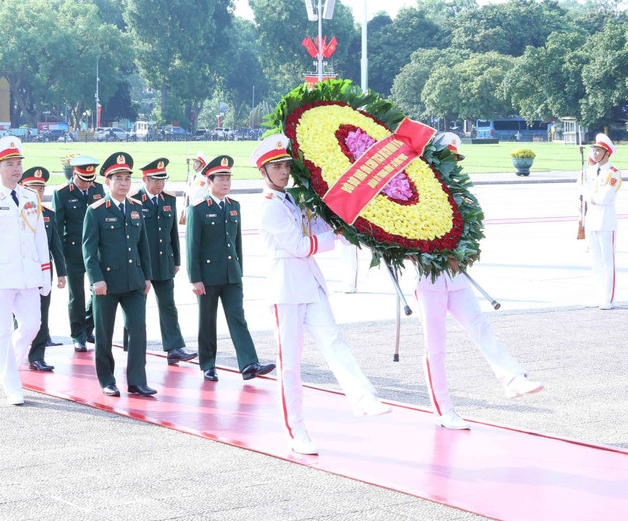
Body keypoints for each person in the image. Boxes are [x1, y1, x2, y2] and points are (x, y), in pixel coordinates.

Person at [252, 135, 390, 455]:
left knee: (334, 340)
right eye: (277, 167)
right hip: (286, 289)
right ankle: (296, 430)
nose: (284, 172)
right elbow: (300, 246)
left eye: (286, 165)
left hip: (310, 284)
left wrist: (342, 222)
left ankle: (363, 397)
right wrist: (337, 236)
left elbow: (316, 227)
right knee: (291, 364)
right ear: (264, 171)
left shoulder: (291, 198)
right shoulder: (269, 207)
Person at [414, 132, 545, 431]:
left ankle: (513, 379)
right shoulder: (418, 194)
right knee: (435, 347)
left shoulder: (462, 195)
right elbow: (406, 238)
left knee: (480, 327)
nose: (452, 166)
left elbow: (471, 235)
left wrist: (463, 255)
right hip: (429, 279)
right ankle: (443, 409)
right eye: (447, 159)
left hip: (457, 276)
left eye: (455, 160)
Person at [0, 137, 49, 405]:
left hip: (29, 275)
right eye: (10, 164)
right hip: (0, 278)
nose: (16, 169)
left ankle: (7, 366)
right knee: (2, 332)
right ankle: (11, 385)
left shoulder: (30, 196)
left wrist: (45, 273)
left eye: (18, 164)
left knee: (33, 325)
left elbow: (40, 237)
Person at [186, 155, 274, 382]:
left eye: (228, 179)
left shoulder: (234, 206)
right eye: (221, 179)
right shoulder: (198, 208)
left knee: (238, 318)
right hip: (207, 276)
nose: (226, 183)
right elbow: (192, 247)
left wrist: (238, 270)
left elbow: (237, 244)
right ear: (209, 181)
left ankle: (248, 363)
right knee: (207, 321)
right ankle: (208, 364)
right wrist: (195, 278)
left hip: (231, 275)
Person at [82, 151, 156, 397]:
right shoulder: (96, 210)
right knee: (104, 333)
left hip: (134, 281)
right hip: (107, 283)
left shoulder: (136, 208)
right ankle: (107, 379)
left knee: (138, 330)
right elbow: (89, 250)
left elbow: (143, 245)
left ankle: (137, 381)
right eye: (118, 178)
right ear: (107, 182)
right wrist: (96, 279)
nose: (124, 183)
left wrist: (146, 276)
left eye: (127, 178)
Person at [129, 158, 197, 365]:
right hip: (140, 265)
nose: (160, 184)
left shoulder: (168, 199)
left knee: (168, 305)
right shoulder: (134, 199)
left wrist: (176, 259)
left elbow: (172, 233)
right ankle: (133, 348)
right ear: (145, 179)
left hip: (163, 262)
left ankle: (174, 347)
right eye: (155, 180)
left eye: (163, 180)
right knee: (135, 309)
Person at [53, 155, 104, 351]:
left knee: (99, 291)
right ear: (75, 174)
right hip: (72, 250)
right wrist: (60, 253)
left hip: (96, 251)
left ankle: (87, 327)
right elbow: (57, 227)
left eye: (91, 180)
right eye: (84, 180)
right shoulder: (63, 193)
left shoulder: (98, 189)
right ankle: (78, 335)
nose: (87, 185)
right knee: (76, 296)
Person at [20, 166, 67, 372]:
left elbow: (55, 245)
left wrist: (62, 273)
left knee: (41, 315)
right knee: (17, 316)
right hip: (18, 272)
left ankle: (37, 356)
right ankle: (15, 351)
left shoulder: (48, 214)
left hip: (42, 273)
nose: (38, 192)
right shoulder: (15, 212)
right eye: (33, 188)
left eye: (41, 188)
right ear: (24, 188)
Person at [582, 133, 621, 310]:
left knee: (607, 261)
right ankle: (599, 295)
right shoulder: (589, 172)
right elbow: (580, 191)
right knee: (595, 260)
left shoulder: (614, 173)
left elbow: (604, 198)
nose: (594, 153)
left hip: (606, 221)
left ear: (607, 153)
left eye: (598, 150)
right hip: (591, 220)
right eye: (594, 150)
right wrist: (589, 195)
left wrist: (590, 196)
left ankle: (608, 298)